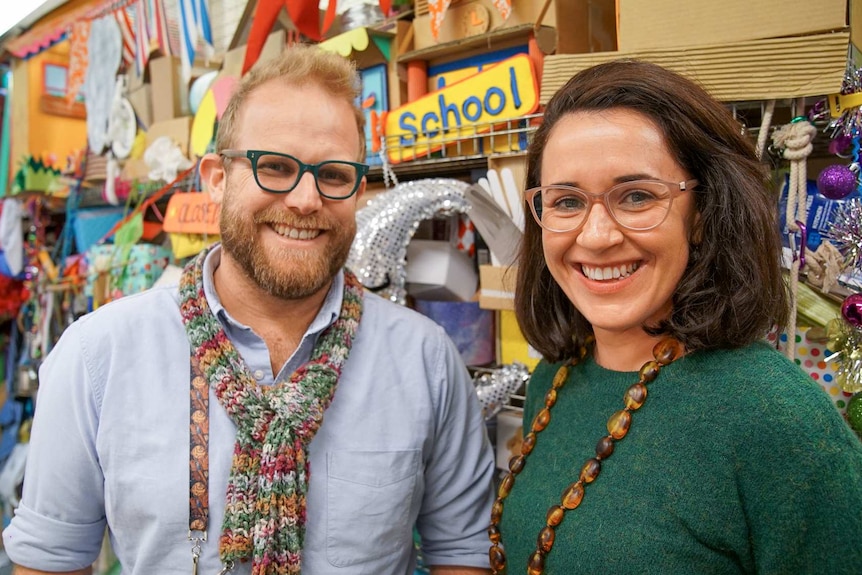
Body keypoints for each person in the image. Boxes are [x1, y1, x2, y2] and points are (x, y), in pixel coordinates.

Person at [3, 44, 495, 575]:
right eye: (275, 166)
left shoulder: (426, 362)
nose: (306, 200)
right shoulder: (98, 356)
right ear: (216, 178)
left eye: (333, 175)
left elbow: (463, 557)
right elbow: (49, 562)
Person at [489, 59, 862, 574]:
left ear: (704, 213)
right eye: (566, 201)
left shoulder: (774, 417)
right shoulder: (555, 379)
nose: (596, 236)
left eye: (637, 196)